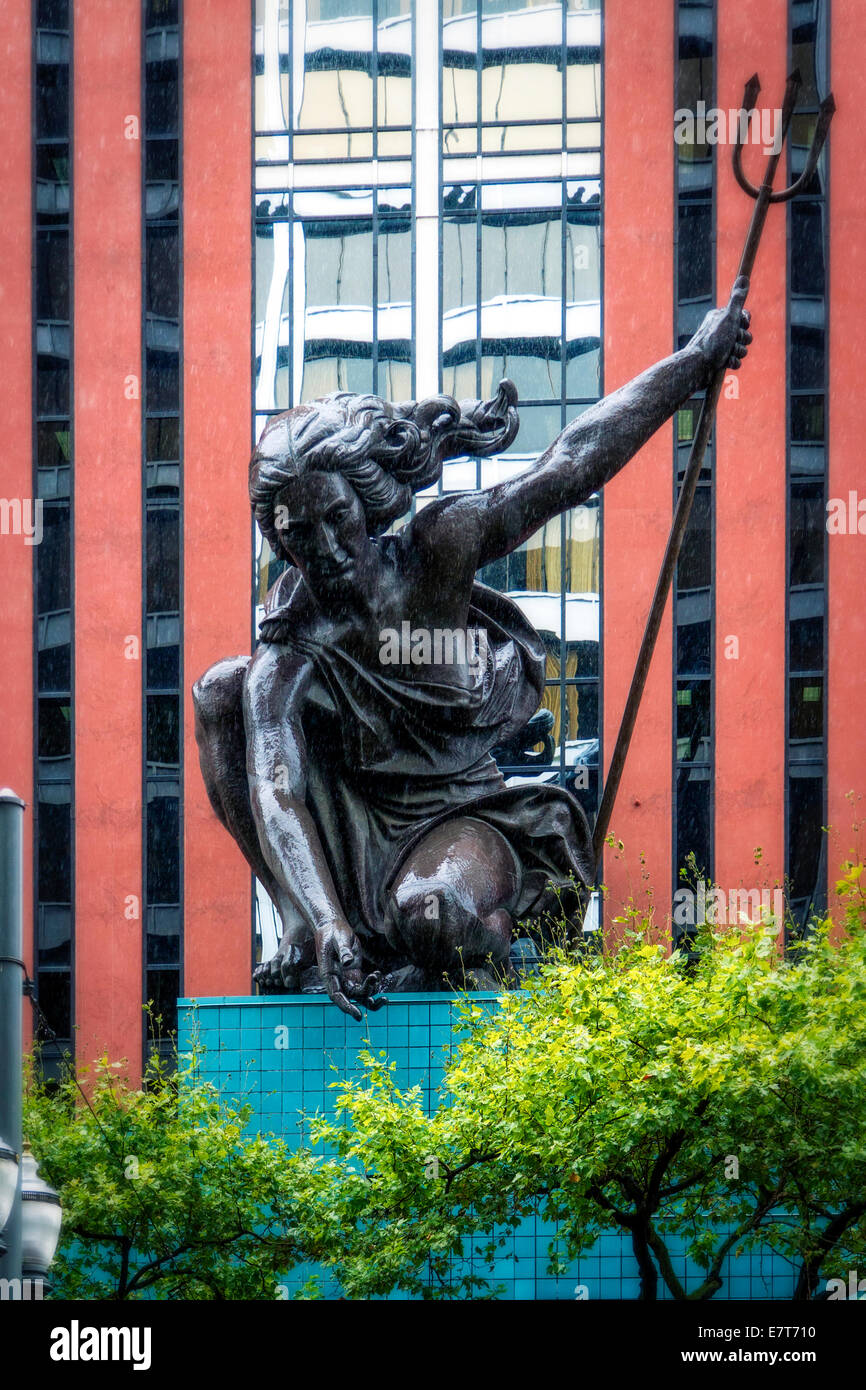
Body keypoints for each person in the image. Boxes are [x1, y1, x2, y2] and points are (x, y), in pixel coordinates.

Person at [193, 279, 752, 1018]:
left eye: (335, 517)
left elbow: (570, 463)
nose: (323, 548)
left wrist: (694, 362)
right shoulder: (290, 649)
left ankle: (491, 962)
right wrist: (325, 919)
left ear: (367, 498)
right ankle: (305, 927)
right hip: (357, 835)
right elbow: (275, 786)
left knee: (434, 917)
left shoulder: (438, 549)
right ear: (279, 538)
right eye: (298, 533)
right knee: (219, 689)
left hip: (465, 817)